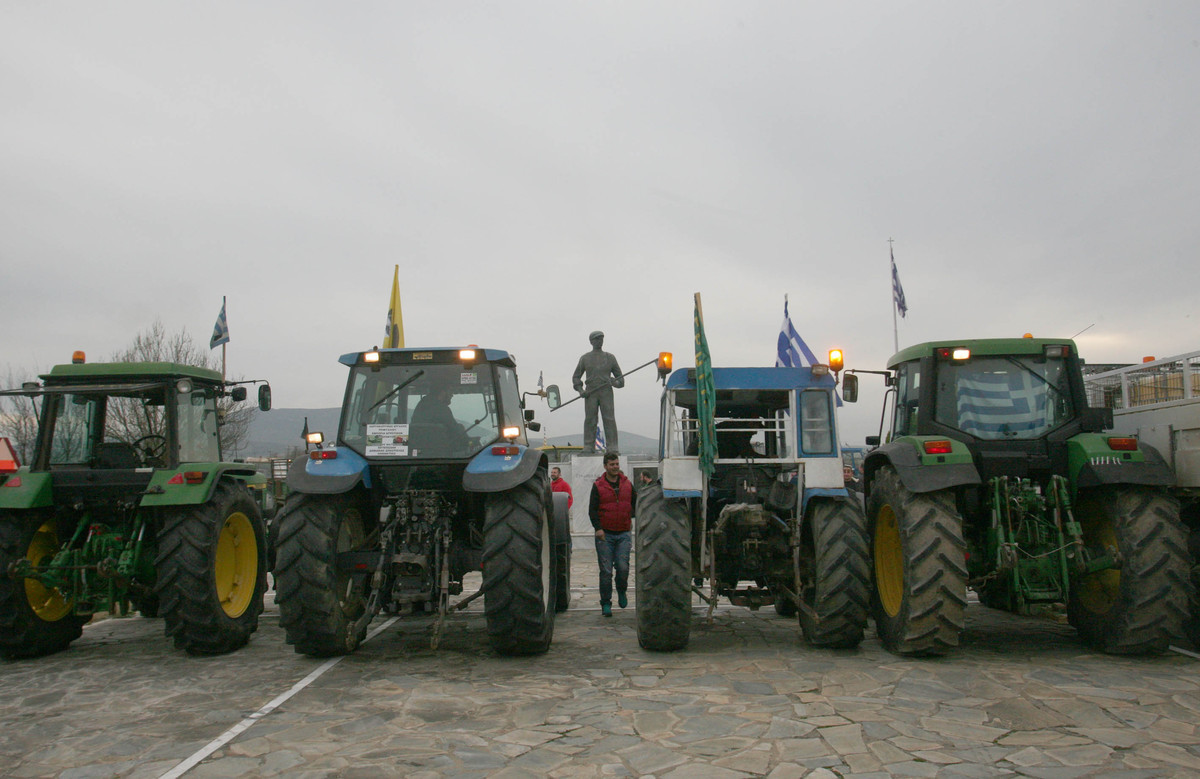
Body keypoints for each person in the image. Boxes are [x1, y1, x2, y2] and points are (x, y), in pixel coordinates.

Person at [589, 452, 635, 617]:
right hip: (605, 536)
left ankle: (621, 590)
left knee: (623, 568)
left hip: (623, 533)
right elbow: (592, 510)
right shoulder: (598, 486)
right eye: (612, 464)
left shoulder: (627, 484)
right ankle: (606, 603)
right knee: (606, 571)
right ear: (605, 466)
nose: (615, 467)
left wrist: (629, 516)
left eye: (617, 464)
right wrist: (598, 528)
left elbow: (635, 504)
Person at [572, 331, 623, 453]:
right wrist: (580, 390)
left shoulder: (610, 357)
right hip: (591, 393)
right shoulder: (585, 358)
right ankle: (589, 446)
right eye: (596, 339)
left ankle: (612, 447)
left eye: (601, 339)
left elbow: (621, 380)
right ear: (591, 341)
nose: (599, 341)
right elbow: (576, 377)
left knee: (609, 419)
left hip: (606, 391)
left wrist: (614, 382)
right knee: (590, 419)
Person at [409, 385, 469, 454]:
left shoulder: (420, 407)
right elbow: (455, 430)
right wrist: (468, 440)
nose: (452, 395)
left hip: (417, 454)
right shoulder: (441, 409)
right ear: (443, 392)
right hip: (440, 455)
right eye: (450, 391)